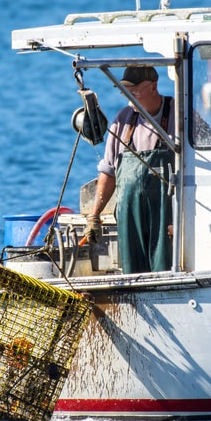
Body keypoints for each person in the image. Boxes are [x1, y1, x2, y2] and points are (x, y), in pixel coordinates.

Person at [83, 65, 175, 274]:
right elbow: (108, 172)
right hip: (129, 219)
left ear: (153, 86)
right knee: (132, 274)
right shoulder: (123, 120)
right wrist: (94, 216)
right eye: (125, 91)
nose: (129, 97)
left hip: (166, 219)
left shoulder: (180, 116)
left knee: (164, 270)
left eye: (134, 92)